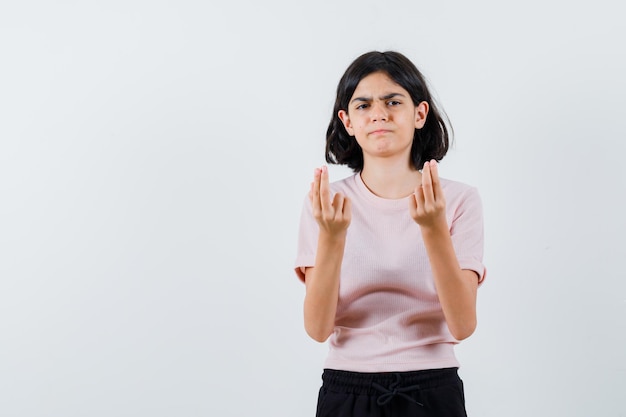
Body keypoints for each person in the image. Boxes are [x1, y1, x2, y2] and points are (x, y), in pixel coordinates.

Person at [294, 50, 486, 417]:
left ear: (419, 114)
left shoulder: (460, 200)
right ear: (347, 121)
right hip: (346, 388)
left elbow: (462, 324)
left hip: (432, 388)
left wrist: (433, 229)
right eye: (363, 105)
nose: (379, 114)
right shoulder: (326, 203)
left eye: (393, 101)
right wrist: (333, 238)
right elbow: (318, 329)